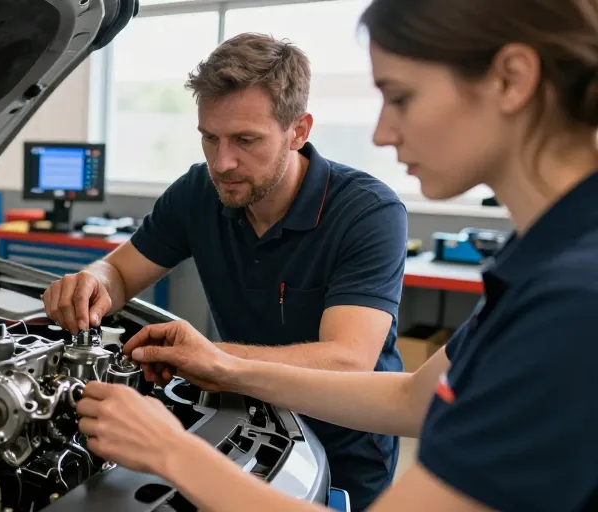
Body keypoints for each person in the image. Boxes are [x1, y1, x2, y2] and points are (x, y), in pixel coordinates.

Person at [74, 0, 598, 510]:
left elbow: (354, 363)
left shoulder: (574, 300)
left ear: (511, 79)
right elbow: (411, 399)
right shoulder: (544, 259)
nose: (381, 132)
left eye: (401, 97)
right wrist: (220, 364)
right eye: (210, 138)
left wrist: (169, 450)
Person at [43, 33, 408, 508]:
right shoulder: (199, 192)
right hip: (237, 425)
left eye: (245, 140)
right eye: (209, 138)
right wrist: (92, 282)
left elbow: (347, 360)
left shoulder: (368, 212)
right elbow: (120, 271)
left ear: (299, 131)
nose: (222, 162)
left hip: (342, 447)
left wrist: (213, 358)